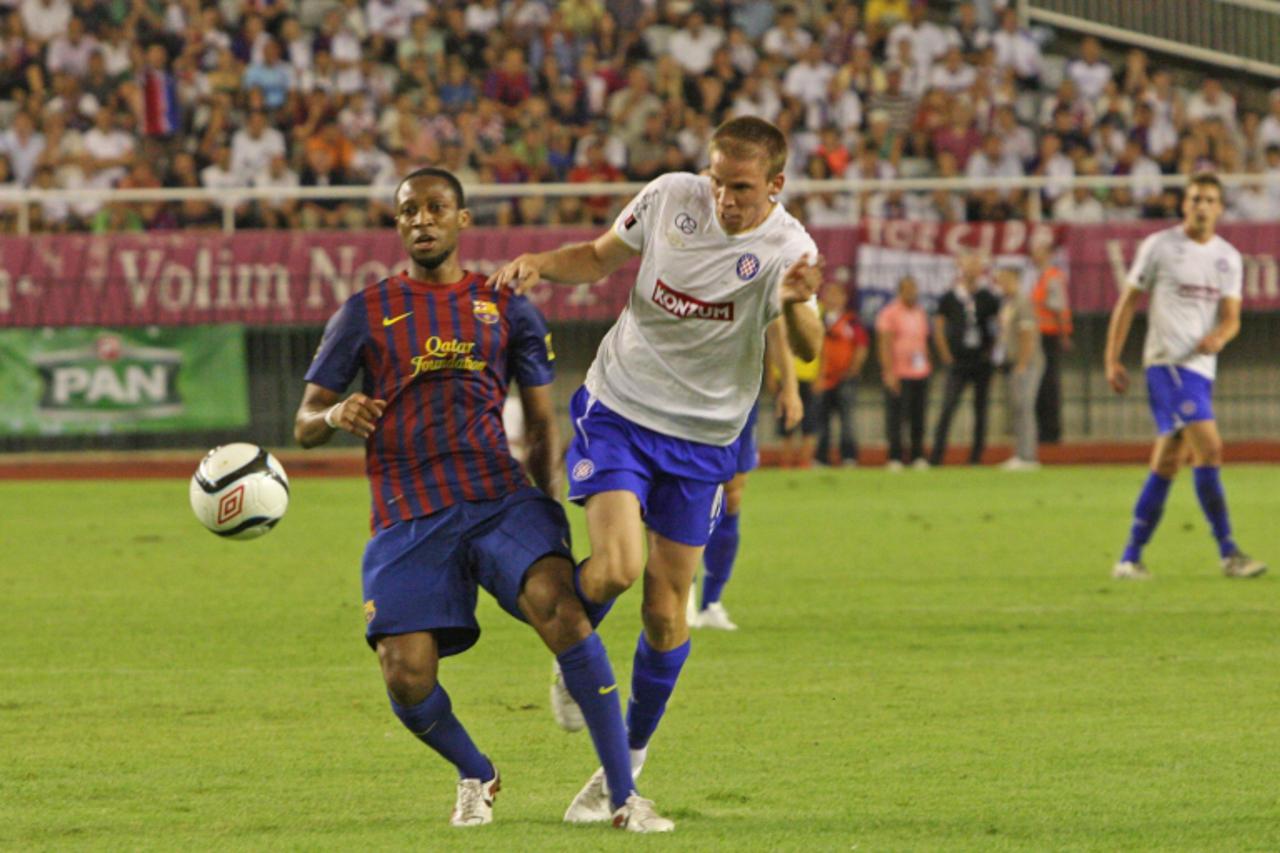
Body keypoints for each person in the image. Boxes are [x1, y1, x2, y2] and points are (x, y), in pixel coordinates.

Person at [293, 168, 672, 833]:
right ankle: (475, 770)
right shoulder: (366, 310)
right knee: (405, 675)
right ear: (398, 223)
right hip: (409, 511)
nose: (422, 219)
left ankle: (623, 795)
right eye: (409, 210)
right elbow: (303, 421)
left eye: (436, 208)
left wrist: (548, 504)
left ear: (462, 220)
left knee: (565, 610)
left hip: (497, 495)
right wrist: (333, 415)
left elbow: (543, 417)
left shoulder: (506, 307)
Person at [488, 116, 823, 821]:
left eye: (741, 188)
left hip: (702, 442)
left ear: (776, 186)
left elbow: (810, 337)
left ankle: (623, 769)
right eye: (718, 180)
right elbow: (600, 254)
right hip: (621, 409)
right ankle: (570, 649)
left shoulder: (790, 248)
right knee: (614, 566)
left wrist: (794, 307)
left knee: (668, 614)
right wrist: (541, 263)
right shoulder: (671, 197)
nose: (725, 198)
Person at [1105, 173, 1266, 581]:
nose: (1201, 206)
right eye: (1195, 198)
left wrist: (1220, 337)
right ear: (1184, 205)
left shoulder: (1227, 258)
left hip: (1200, 370)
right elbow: (1127, 302)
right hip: (1167, 364)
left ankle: (1129, 558)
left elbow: (1232, 319)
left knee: (1168, 462)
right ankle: (1229, 552)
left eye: (1209, 200)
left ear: (1220, 209)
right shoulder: (1160, 246)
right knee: (1209, 447)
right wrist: (1112, 358)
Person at [930, 252, 1000, 466]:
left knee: (981, 409)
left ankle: (976, 457)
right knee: (948, 407)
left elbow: (997, 327)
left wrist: (992, 353)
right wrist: (945, 355)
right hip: (958, 361)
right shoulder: (950, 298)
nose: (971, 270)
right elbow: (939, 327)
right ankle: (936, 457)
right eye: (968, 265)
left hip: (981, 361)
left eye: (975, 265)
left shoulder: (988, 298)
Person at [876, 275, 932, 470]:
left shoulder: (920, 312)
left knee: (919, 416)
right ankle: (895, 457)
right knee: (897, 417)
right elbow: (884, 343)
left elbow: (924, 341)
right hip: (899, 372)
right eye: (908, 289)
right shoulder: (890, 312)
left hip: (920, 371)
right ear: (900, 291)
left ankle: (917, 455)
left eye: (914, 289)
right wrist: (889, 371)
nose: (912, 293)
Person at [995, 266, 1044, 471]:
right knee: (1017, 409)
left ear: (1015, 280)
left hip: (1028, 363)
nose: (1001, 284)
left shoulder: (1023, 303)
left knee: (1025, 408)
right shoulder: (1008, 303)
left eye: (1005, 280)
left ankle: (1028, 456)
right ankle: (1020, 453)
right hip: (1014, 362)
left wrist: (1023, 363)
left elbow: (1027, 335)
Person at [814, 282, 868, 467]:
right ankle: (821, 458)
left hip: (845, 378)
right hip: (823, 378)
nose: (833, 299)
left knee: (847, 419)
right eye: (829, 294)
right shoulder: (817, 319)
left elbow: (861, 345)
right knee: (822, 420)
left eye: (837, 295)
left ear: (844, 299)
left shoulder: (851, 321)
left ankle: (849, 456)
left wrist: (853, 369)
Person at [1030, 243, 1072, 443]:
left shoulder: (1051, 277)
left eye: (1038, 250)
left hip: (1049, 336)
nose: (1034, 254)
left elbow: (1058, 308)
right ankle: (1044, 431)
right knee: (1042, 385)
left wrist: (1063, 335)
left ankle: (1050, 432)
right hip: (1041, 335)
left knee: (1048, 385)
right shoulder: (1040, 276)